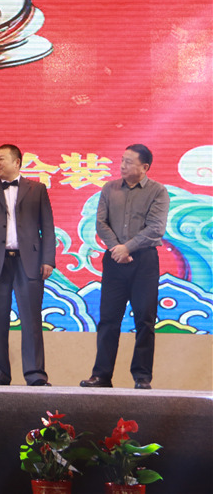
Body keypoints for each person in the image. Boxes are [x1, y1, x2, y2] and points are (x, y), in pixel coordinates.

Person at [81, 144, 169, 390]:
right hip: (114, 261)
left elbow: (156, 228)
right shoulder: (109, 188)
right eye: (122, 160)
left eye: (129, 162)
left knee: (145, 320)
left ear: (145, 167)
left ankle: (142, 377)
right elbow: (101, 223)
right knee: (108, 319)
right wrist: (117, 249)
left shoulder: (158, 191)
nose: (122, 165)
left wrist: (127, 248)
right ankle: (101, 375)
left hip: (144, 262)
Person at [0, 144, 55, 386]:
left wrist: (48, 259)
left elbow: (48, 227)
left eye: (1, 159)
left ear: (17, 162)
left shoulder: (37, 189)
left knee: (31, 320)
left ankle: (35, 375)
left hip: (29, 262)